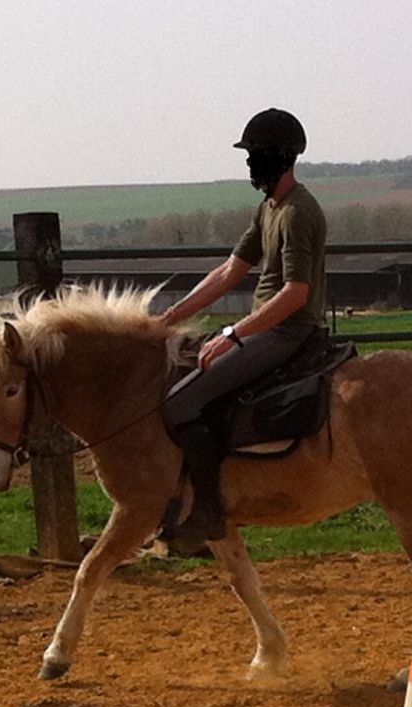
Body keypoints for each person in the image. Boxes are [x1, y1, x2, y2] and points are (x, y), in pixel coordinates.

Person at [158, 108, 328, 547]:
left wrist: (234, 335)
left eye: (255, 154)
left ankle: (208, 514)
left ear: (279, 156)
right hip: (266, 327)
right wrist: (172, 317)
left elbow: (295, 294)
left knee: (179, 404)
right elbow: (229, 271)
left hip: (287, 331)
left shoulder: (297, 213)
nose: (250, 163)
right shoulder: (268, 208)